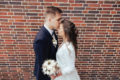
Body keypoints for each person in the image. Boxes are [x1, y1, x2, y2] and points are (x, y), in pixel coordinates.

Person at [33, 6, 62, 80]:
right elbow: (43, 63)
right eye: (58, 20)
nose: (60, 22)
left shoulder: (53, 32)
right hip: (45, 75)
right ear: (49, 19)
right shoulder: (41, 39)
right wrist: (52, 76)